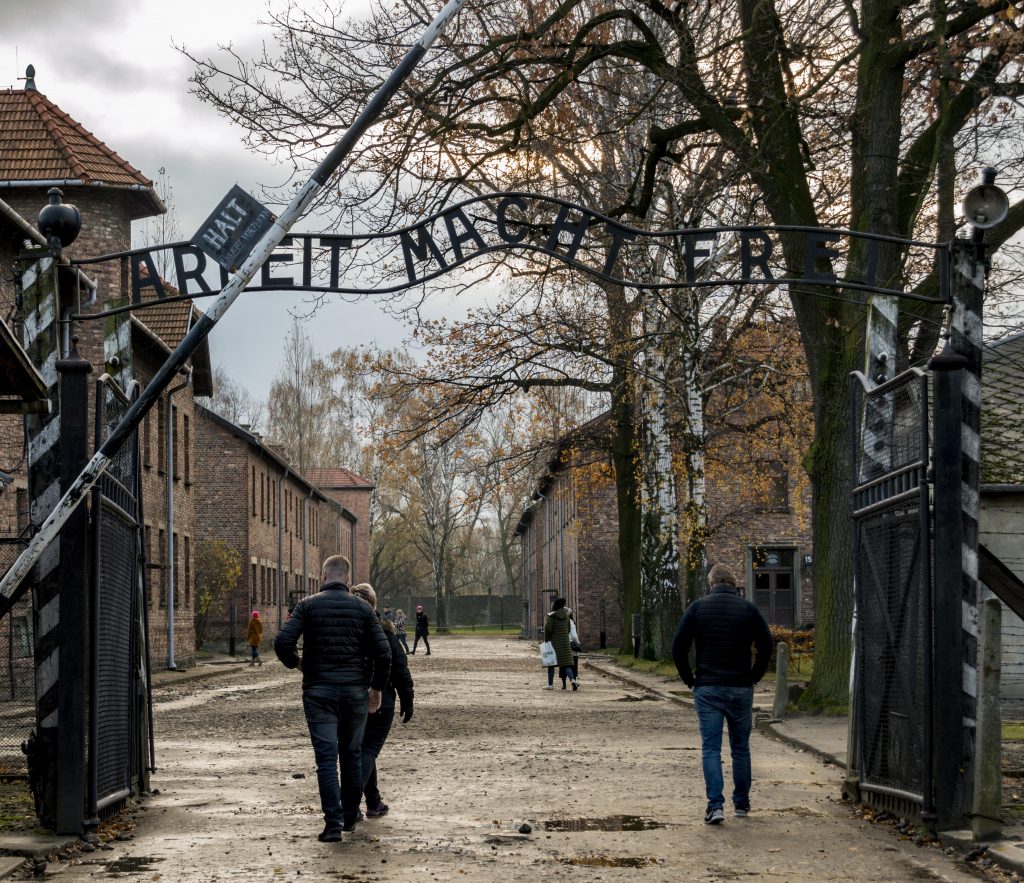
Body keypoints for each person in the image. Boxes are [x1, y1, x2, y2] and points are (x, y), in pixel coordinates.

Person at [274, 555, 391, 843]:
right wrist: (376, 688)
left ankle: (333, 825)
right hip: (354, 692)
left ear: (323, 576)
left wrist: (297, 663)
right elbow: (384, 652)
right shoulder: (363, 608)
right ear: (347, 579)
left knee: (326, 761)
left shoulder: (307, 605)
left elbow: (282, 642)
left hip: (319, 692)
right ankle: (350, 816)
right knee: (351, 756)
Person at [671, 562, 772, 826]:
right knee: (740, 748)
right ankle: (742, 803)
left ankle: (715, 806)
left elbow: (678, 647)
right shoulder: (748, 609)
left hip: (708, 686)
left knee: (711, 748)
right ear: (734, 582)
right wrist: (754, 676)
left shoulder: (698, 607)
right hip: (740, 686)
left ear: (712, 582)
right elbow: (766, 646)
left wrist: (689, 680)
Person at [351, 584, 414, 819]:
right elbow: (399, 667)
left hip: (351, 697)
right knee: (367, 750)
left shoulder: (350, 631)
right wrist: (407, 699)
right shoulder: (384, 631)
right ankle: (350, 805)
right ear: (374, 605)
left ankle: (373, 802)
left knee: (362, 750)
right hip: (381, 698)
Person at [544, 597, 577, 690]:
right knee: (566, 664)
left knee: (551, 664)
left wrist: (547, 640)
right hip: (565, 643)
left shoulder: (552, 616)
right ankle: (572, 680)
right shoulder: (566, 617)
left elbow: (548, 629)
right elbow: (569, 629)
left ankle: (550, 685)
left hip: (554, 643)